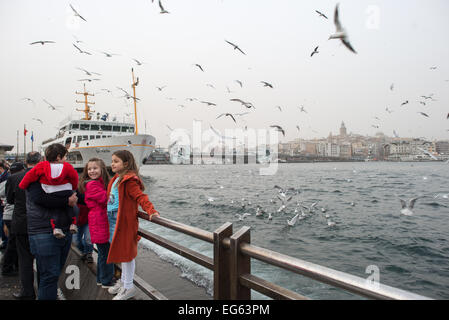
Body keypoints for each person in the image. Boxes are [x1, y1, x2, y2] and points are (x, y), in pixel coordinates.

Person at [24, 153, 79, 300]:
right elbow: (40, 199)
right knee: (50, 275)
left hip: (62, 230)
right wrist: (68, 201)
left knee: (50, 274)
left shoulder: (62, 177)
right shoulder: (35, 179)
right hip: (45, 231)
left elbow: (77, 193)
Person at [106, 150, 159, 300]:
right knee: (121, 253)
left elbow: (141, 197)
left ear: (126, 163)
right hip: (112, 220)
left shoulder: (129, 181)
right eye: (112, 161)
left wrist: (151, 210)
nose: (112, 164)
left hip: (123, 221)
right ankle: (123, 282)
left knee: (127, 255)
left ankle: (129, 287)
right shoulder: (116, 178)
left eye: (116, 161)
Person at [19, 143, 79, 238]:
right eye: (65, 156)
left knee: (55, 210)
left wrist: (22, 185)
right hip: (65, 191)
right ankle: (73, 224)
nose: (66, 159)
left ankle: (56, 228)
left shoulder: (42, 166)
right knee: (72, 208)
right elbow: (74, 176)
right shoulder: (66, 166)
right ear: (59, 157)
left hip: (50, 191)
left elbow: (29, 176)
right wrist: (74, 187)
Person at [6, 153, 41, 300]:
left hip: (21, 223)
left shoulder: (14, 178)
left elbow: (10, 199)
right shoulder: (43, 177)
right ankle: (45, 291)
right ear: (40, 161)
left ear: (26, 162)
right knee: (42, 259)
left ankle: (27, 292)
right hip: (41, 223)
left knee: (24, 259)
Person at [79, 158, 114, 288]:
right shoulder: (92, 184)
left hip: (98, 219)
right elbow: (106, 199)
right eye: (89, 169)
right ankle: (106, 280)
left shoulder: (96, 183)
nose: (92, 171)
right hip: (99, 220)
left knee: (102, 252)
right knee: (106, 252)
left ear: (101, 169)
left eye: (95, 168)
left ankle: (101, 279)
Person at [0, 162, 25, 276]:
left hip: (7, 215)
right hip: (14, 215)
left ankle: (13, 266)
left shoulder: (7, 181)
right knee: (14, 243)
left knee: (14, 242)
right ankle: (8, 267)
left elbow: (7, 198)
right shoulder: (20, 180)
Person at [0, 160, 10, 250]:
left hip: (4, 205)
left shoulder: (7, 177)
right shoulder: (4, 176)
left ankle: (5, 241)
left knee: (3, 222)